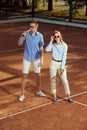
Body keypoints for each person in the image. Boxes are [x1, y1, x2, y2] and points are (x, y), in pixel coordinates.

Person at [18, 20, 45, 101]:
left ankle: (38, 91)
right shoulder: (26, 35)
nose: (30, 28)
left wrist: (42, 58)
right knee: (24, 76)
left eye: (32, 26)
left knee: (38, 75)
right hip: (27, 58)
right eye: (30, 26)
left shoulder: (40, 36)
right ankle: (22, 94)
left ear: (36, 26)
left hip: (36, 58)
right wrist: (22, 36)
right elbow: (19, 44)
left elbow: (41, 47)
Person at [45, 30, 73, 104]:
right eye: (55, 36)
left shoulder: (64, 45)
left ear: (60, 36)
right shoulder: (52, 44)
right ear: (53, 37)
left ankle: (69, 97)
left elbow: (64, 57)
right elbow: (46, 50)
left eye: (58, 36)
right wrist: (50, 41)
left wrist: (62, 67)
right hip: (53, 63)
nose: (56, 38)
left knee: (65, 81)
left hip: (61, 64)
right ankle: (54, 97)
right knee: (53, 80)